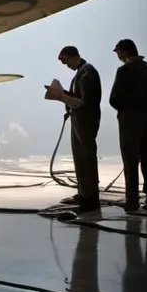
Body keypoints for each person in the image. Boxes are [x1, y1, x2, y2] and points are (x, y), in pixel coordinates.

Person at [108, 38, 147, 212]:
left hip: (130, 120)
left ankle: (132, 201)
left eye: (118, 51)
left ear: (124, 52)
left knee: (131, 161)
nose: (117, 55)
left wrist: (127, 108)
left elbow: (113, 99)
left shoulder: (123, 71)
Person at [45, 46, 101, 211]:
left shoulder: (87, 72)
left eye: (65, 60)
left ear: (73, 56)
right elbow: (78, 97)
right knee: (80, 158)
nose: (65, 64)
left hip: (86, 120)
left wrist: (61, 96)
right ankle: (84, 193)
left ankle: (90, 198)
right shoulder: (81, 73)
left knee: (86, 158)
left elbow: (83, 101)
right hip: (79, 120)